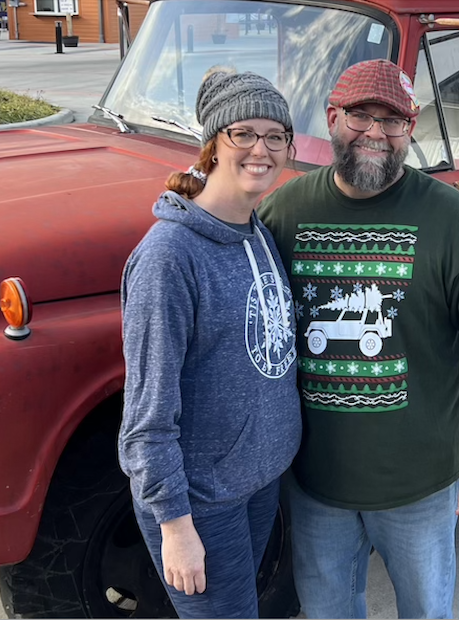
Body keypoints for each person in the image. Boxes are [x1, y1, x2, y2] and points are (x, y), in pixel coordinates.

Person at [259, 59, 459, 619]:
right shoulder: (284, 212)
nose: (376, 133)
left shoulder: (453, 219)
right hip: (315, 487)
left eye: (394, 120)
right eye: (361, 116)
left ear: (412, 128)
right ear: (333, 118)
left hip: (419, 491)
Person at [119, 68, 301, 619]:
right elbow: (146, 416)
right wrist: (175, 526)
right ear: (213, 144)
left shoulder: (258, 231)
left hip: (255, 483)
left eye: (275, 136)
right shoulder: (168, 257)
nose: (260, 149)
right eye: (243, 133)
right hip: (201, 502)